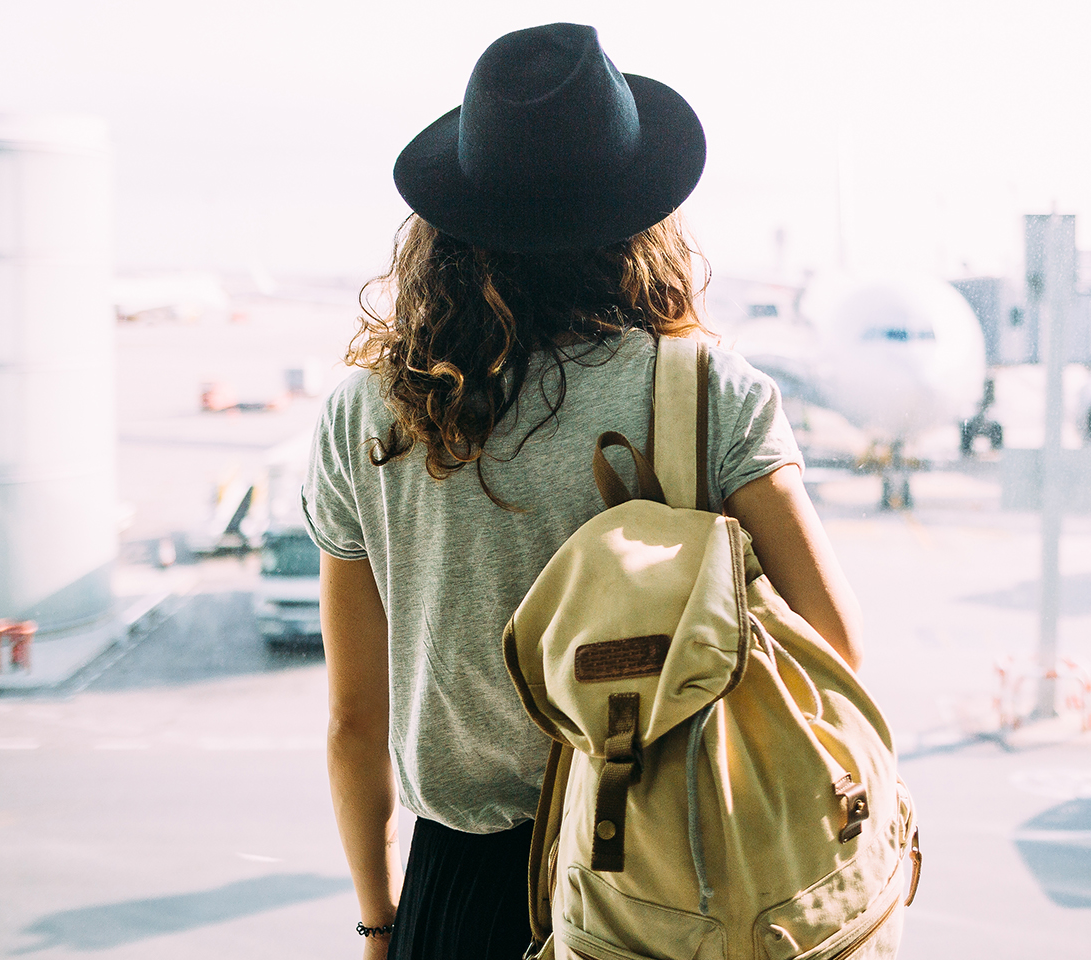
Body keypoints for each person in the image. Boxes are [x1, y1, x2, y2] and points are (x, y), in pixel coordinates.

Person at [303, 23, 864, 960]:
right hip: (672, 867)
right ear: (642, 211)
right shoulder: (708, 392)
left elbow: (356, 718)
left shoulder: (367, 414)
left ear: (449, 224)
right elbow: (835, 651)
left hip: (461, 885)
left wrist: (380, 921)